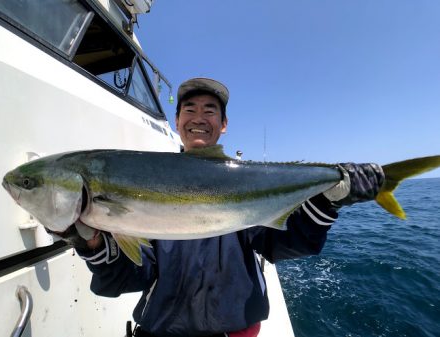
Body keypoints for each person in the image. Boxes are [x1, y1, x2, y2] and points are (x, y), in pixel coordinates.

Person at [65, 78, 384, 337]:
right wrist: (93, 246)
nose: (199, 117)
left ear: (224, 124)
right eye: (189, 109)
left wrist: (328, 201)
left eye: (210, 110)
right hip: (162, 331)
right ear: (177, 121)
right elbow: (127, 277)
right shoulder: (149, 185)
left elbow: (285, 242)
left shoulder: (244, 182)